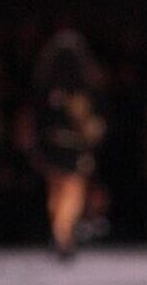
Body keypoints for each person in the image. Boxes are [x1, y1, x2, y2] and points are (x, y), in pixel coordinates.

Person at [31, 28, 107, 257]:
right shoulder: (83, 89)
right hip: (72, 146)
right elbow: (89, 122)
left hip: (51, 145)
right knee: (71, 191)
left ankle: (61, 232)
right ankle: (63, 234)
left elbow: (37, 120)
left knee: (56, 191)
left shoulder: (44, 86)